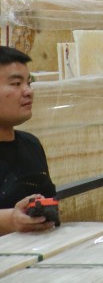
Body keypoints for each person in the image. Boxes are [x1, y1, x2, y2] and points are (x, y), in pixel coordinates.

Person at [0, 46, 55, 234]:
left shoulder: (31, 145)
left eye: (29, 83)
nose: (28, 91)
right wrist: (10, 220)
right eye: (16, 84)